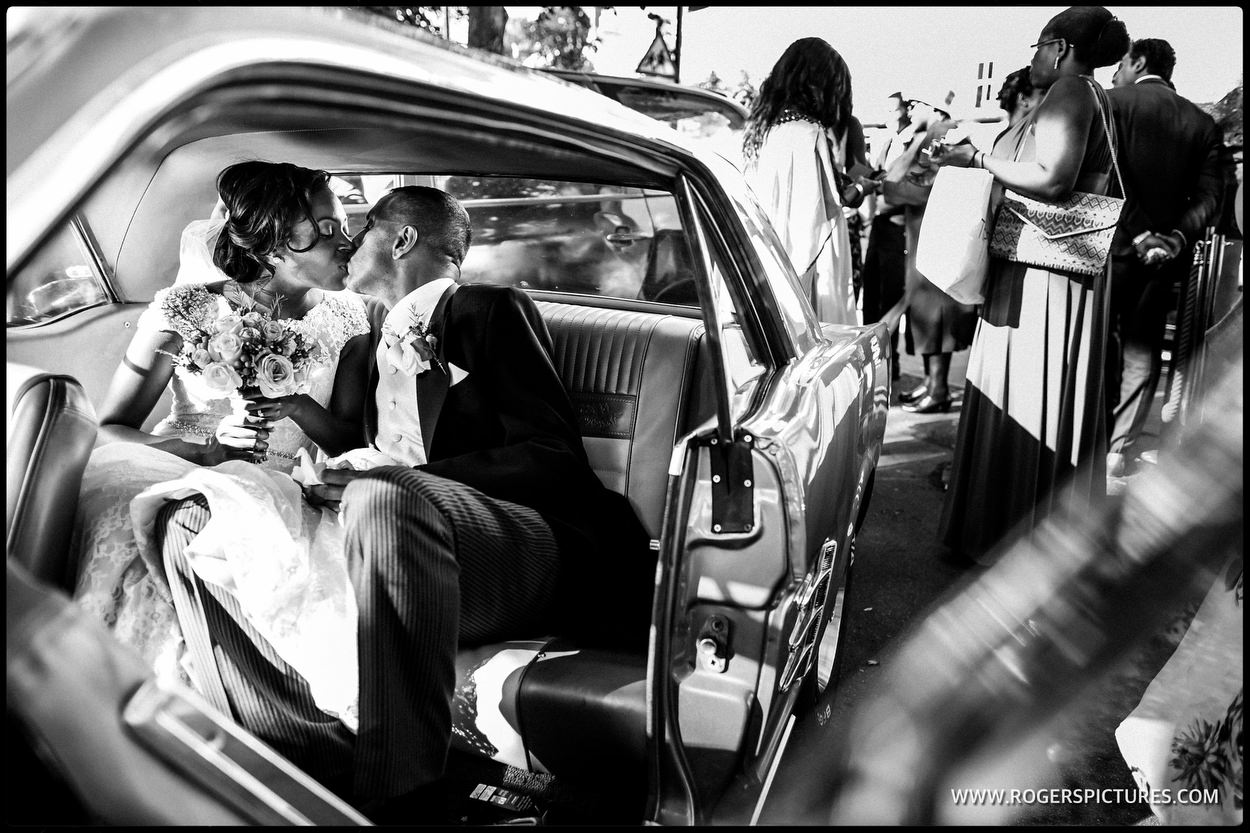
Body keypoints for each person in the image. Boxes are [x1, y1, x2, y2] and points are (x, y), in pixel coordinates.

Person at [155, 186, 654, 817]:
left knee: (382, 497)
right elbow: (361, 449)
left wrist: (401, 478)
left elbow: (551, 455)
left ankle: (404, 797)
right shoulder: (367, 341)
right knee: (204, 516)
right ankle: (304, 765)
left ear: (402, 240)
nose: (348, 245)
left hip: (520, 543)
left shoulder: (488, 310)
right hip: (388, 537)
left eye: (359, 232)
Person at [71, 161, 383, 691]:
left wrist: (300, 408)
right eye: (326, 231)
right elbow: (110, 428)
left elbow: (350, 440)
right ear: (273, 248)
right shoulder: (189, 310)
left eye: (345, 225)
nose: (347, 242)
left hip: (290, 487)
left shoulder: (351, 320)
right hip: (177, 469)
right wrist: (202, 452)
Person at [932, 6, 1131, 565]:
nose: (1034, 58)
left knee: (1027, 392)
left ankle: (1007, 535)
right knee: (1042, 394)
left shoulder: (1071, 91)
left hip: (1044, 274)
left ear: (1061, 47)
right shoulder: (1095, 96)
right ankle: (1028, 534)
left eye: (1038, 46)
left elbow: (1053, 179)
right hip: (1056, 272)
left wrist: (975, 158)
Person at [1103, 38, 1223, 477]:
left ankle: (1085, 440)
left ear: (1137, 61)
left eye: (1120, 63)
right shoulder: (1203, 123)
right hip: (1165, 258)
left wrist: (1136, 233)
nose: (1115, 73)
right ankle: (1118, 449)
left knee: (1098, 344)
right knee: (1143, 347)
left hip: (1108, 246)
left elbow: (1105, 174)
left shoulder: (1110, 104)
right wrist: (1174, 236)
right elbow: (1213, 195)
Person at [742, 37, 869, 326]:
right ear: (818, 85)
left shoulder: (761, 132)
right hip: (799, 281)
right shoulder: (808, 135)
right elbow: (818, 219)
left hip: (759, 268)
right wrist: (861, 187)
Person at [867, 89, 978, 412]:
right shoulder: (932, 137)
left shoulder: (942, 140)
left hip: (936, 240)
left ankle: (939, 388)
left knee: (935, 315)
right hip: (923, 238)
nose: (911, 109)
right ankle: (932, 384)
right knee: (925, 314)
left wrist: (916, 142)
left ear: (935, 109)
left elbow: (898, 187)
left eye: (918, 104)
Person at [861, 92, 914, 381]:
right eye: (886, 111)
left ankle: (889, 365)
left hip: (898, 229)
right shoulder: (885, 144)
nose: (890, 116)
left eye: (894, 110)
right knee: (872, 297)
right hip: (878, 228)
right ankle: (871, 362)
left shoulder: (911, 144)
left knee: (892, 298)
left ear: (905, 111)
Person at [997, 66, 1045, 131]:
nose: (1050, 97)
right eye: (1044, 93)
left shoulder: (1003, 138)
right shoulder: (1033, 136)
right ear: (1023, 99)